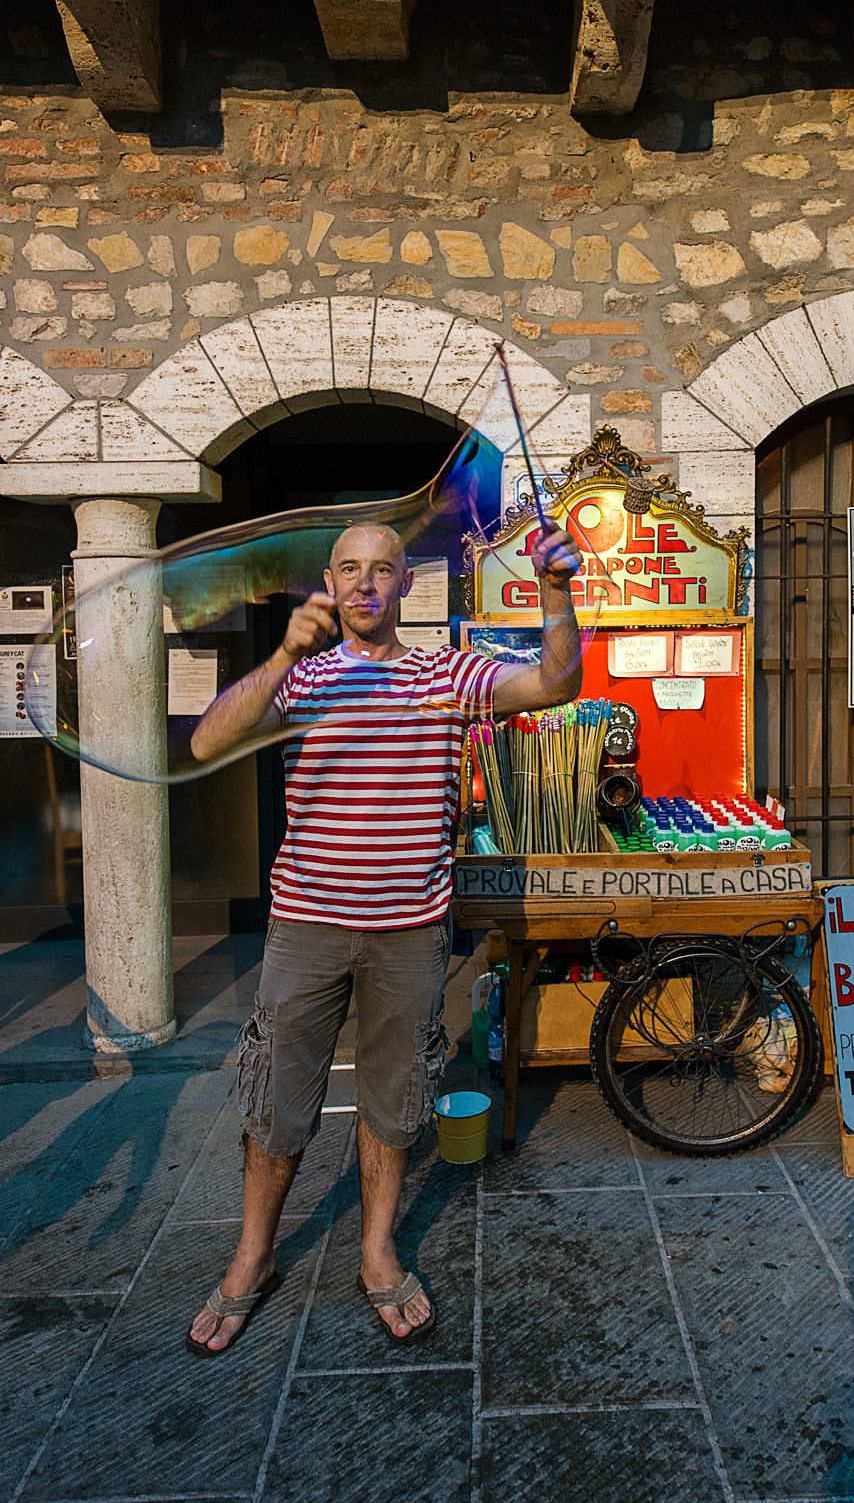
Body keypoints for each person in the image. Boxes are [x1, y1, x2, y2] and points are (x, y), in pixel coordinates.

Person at [186, 518, 581, 1355]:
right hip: (305, 927)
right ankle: (253, 1253)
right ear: (329, 583)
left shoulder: (446, 671)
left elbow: (552, 686)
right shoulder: (305, 676)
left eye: (384, 570)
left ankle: (375, 1250)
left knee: (394, 1100)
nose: (367, 584)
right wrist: (282, 658)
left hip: (408, 931)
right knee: (276, 1099)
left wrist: (556, 591)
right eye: (350, 570)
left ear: (408, 585)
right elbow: (208, 739)